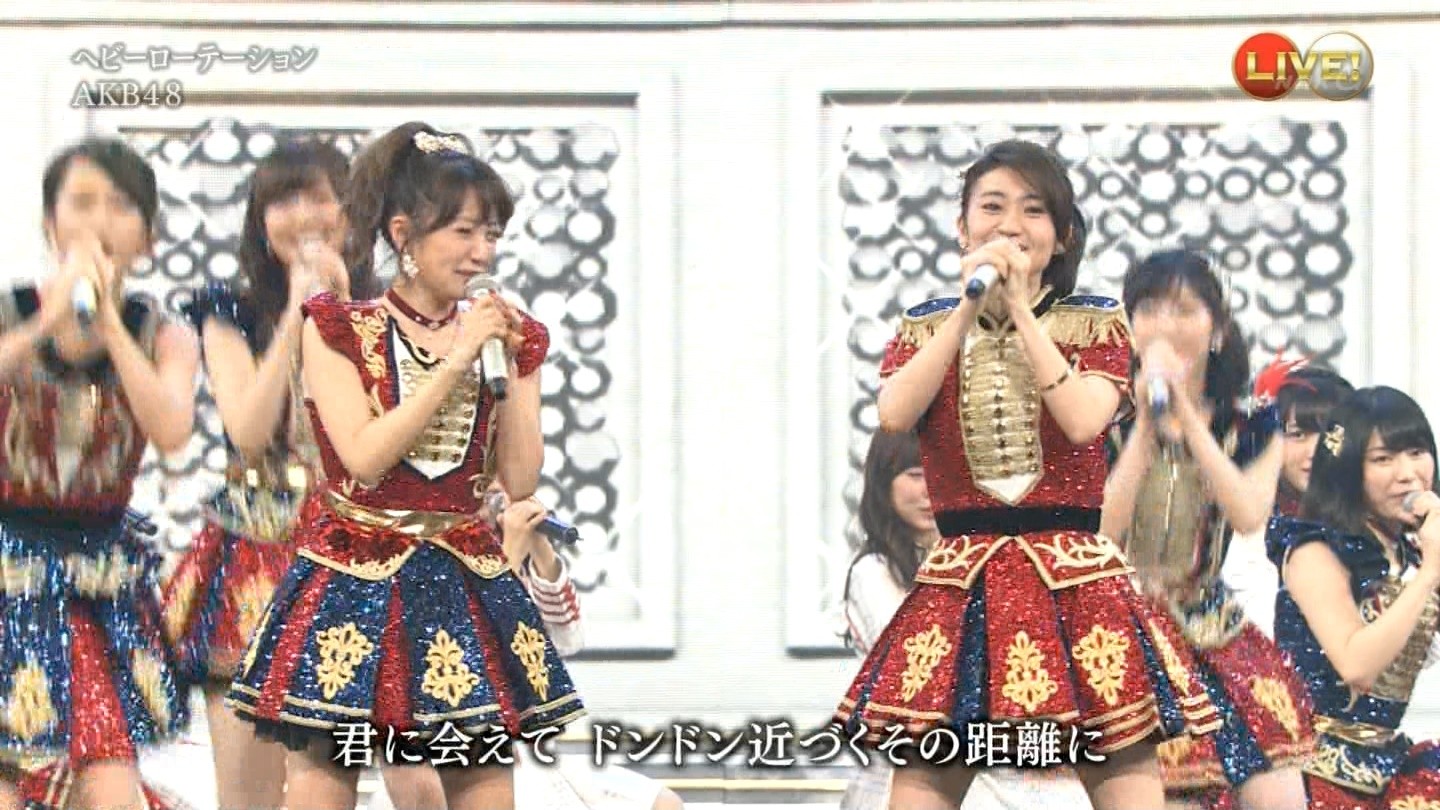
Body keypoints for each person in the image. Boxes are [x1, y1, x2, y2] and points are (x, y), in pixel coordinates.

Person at [833, 138, 1219, 810]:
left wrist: (1018, 309)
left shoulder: (1095, 321)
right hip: (962, 582)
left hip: (1076, 583)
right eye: (992, 207)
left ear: (1062, 236)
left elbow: (1083, 420)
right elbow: (894, 413)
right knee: (924, 779)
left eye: (1033, 210)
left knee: (1124, 777)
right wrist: (968, 310)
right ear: (962, 227)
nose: (1011, 224)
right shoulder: (925, 327)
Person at [224, 122, 583, 810]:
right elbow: (363, 457)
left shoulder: (506, 337)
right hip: (353, 581)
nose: (482, 253)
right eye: (464, 232)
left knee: (484, 790)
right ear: (403, 236)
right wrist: (456, 359)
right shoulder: (339, 329)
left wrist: (512, 366)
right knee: (322, 788)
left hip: (464, 584)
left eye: (492, 235)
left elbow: (520, 480)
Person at [160, 139, 362, 810]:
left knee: (324, 787)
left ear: (351, 212)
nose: (301, 216)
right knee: (247, 796)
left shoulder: (384, 311)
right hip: (255, 555)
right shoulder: (228, 309)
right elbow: (248, 431)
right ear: (259, 219)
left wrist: (341, 312)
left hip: (353, 560)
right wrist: (296, 315)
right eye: (282, 201)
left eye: (319, 198)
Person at [0, 139, 197, 809]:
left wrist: (108, 323)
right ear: (50, 224)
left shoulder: (162, 334)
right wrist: (47, 323)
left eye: (119, 206)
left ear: (148, 236)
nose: (98, 222)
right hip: (8, 570)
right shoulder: (11, 313)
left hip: (97, 582)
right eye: (81, 203)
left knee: (109, 780)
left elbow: (171, 430)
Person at [1102, 250, 1312, 810]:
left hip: (1212, 626)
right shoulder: (1101, 420)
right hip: (1124, 628)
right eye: (1149, 310)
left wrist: (1189, 418)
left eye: (1184, 311)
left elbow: (1246, 513)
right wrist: (1145, 427)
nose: (1165, 325)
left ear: (1216, 331)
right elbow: (1101, 533)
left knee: (1278, 792)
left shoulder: (1255, 425)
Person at [376, 484, 684, 810]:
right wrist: (510, 554)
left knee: (662, 803)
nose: (497, 487)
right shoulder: (422, 551)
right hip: (462, 752)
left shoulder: (504, 546)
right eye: (484, 477)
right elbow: (469, 644)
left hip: (536, 754)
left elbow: (568, 637)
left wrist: (540, 547)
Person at [838, 428, 1091, 810]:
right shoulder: (873, 572)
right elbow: (920, 670)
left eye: (942, 475)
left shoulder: (986, 558)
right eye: (915, 475)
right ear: (882, 482)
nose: (929, 490)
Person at [1267, 386, 1440, 809]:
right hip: (1313, 770)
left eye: (1416, 452)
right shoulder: (1313, 549)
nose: (1408, 474)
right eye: (1383, 459)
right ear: (1348, 470)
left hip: (1388, 763)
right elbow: (1356, 665)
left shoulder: (1410, 549)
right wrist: (1430, 574)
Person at [1221, 356, 1353, 639]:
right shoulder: (1242, 529)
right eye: (1298, 434)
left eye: (1330, 435)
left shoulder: (1372, 526)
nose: (1314, 452)